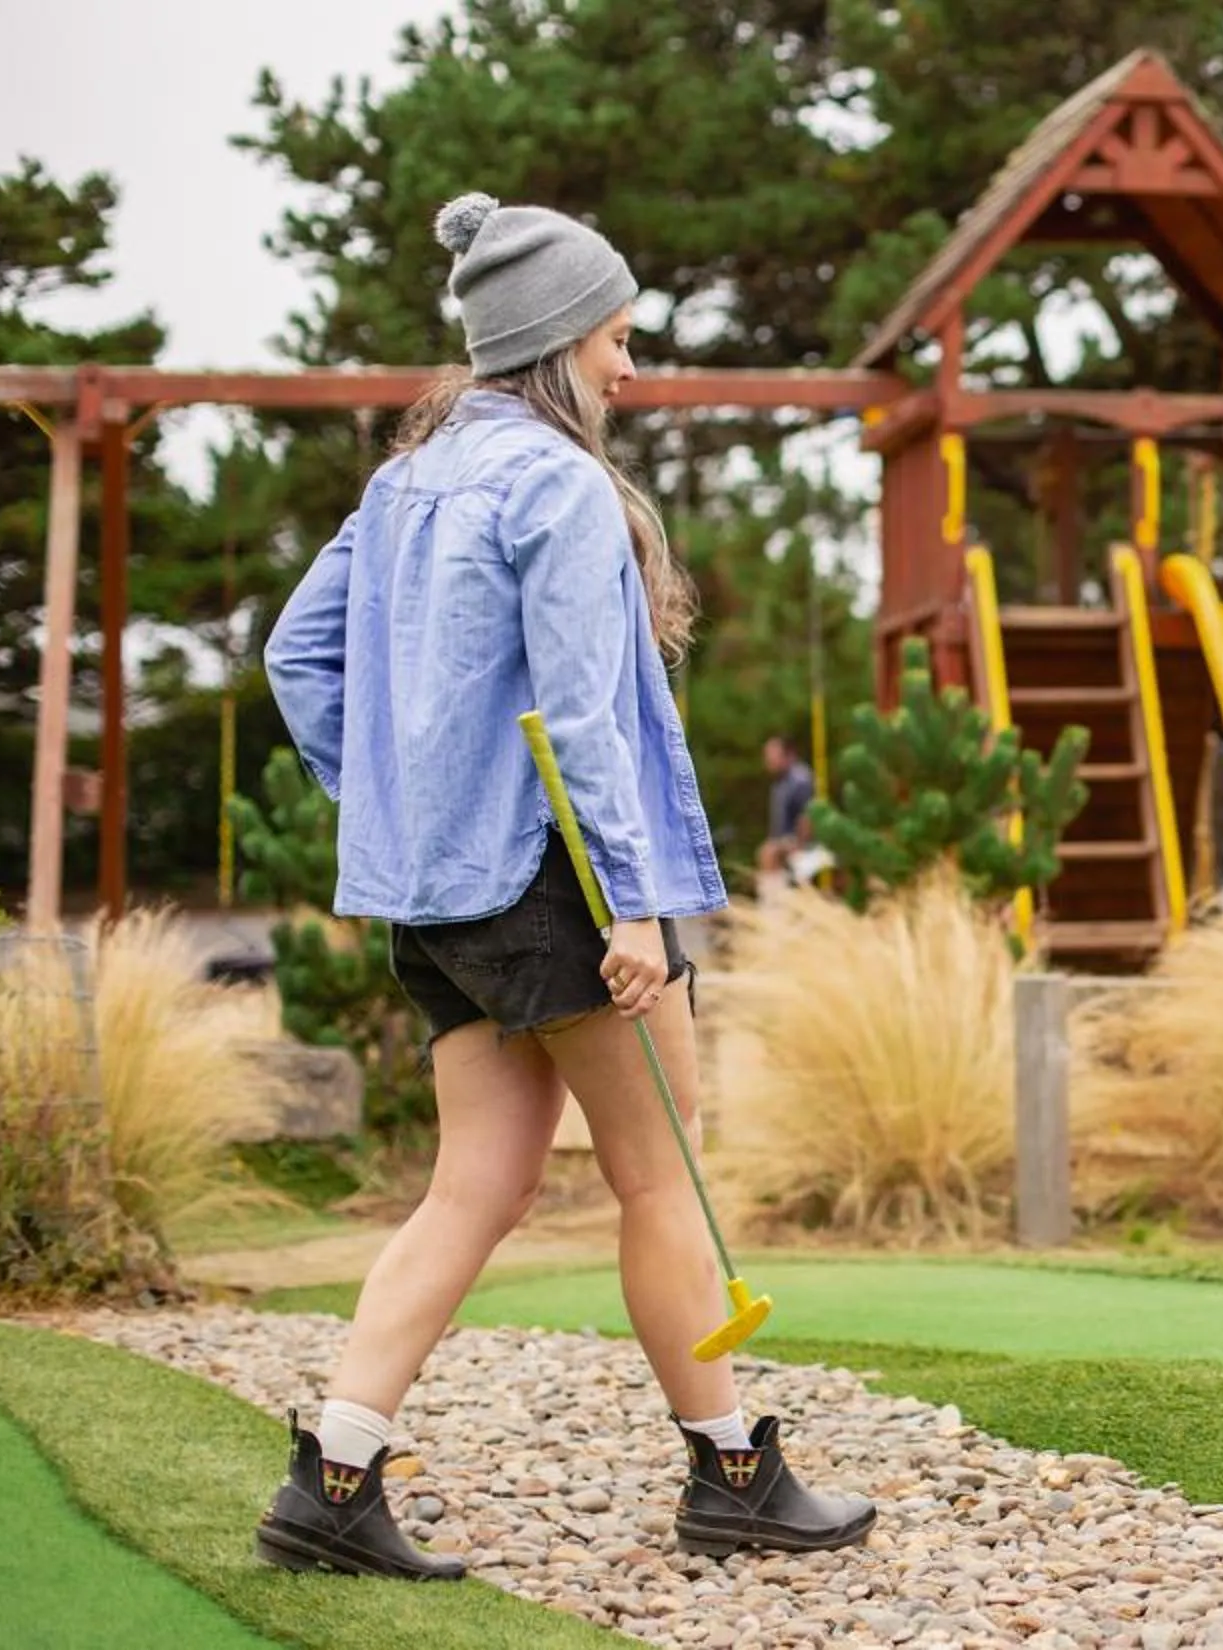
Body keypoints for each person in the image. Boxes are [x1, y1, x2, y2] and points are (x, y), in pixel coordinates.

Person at [255, 191, 873, 1580]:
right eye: (617, 339)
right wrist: (636, 909)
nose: (631, 368)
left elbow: (301, 659)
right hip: (563, 888)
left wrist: (399, 801)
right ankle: (734, 1478)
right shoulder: (557, 485)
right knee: (662, 1177)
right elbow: (584, 716)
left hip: (438, 901)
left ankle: (333, 1478)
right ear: (557, 342)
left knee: (472, 1187)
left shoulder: (402, 482)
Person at [756, 734, 816, 891]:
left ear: (788, 755)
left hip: (802, 842)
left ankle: (775, 905)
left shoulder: (800, 780)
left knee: (768, 853)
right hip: (784, 840)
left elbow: (807, 817)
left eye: (772, 755)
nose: (768, 760)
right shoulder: (779, 784)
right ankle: (774, 900)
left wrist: (799, 846)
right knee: (768, 850)